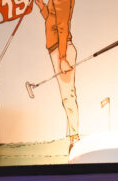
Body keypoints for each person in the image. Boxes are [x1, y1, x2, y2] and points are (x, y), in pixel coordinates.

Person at [35, 0, 79, 146]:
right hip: (57, 50)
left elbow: (62, 25)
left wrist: (63, 58)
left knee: (68, 95)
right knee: (66, 96)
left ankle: (74, 137)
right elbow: (51, 19)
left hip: (62, 50)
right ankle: (72, 136)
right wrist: (41, 6)